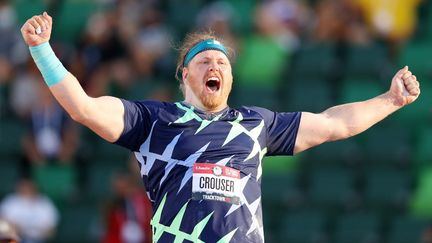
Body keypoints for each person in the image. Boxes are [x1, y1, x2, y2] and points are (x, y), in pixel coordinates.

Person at [20, 12, 420, 243]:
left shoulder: (256, 125)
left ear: (230, 78)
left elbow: (335, 124)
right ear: (184, 75)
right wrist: (41, 50)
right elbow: (83, 108)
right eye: (205, 62)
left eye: (222, 63)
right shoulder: (153, 121)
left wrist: (392, 100)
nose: (215, 67)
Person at [0, 178, 59, 243]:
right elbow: (3, 224)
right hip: (15, 239)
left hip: (38, 240)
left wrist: (37, 233)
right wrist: (14, 229)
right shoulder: (10, 201)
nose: (27, 190)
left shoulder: (45, 203)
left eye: (29, 187)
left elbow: (52, 230)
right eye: (24, 187)